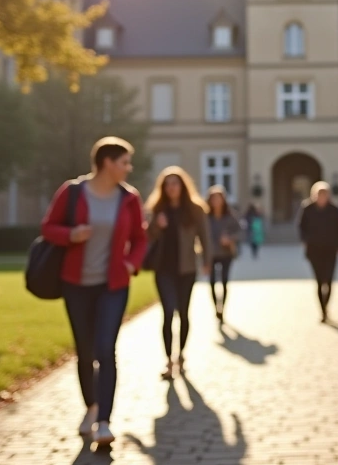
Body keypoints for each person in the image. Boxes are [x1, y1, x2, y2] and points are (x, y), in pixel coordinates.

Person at [39, 136, 147, 447]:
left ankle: (104, 422)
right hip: (76, 285)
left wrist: (131, 264)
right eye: (124, 162)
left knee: (105, 349)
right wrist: (71, 234)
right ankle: (91, 407)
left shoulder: (129, 198)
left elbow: (140, 239)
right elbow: (48, 228)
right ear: (107, 163)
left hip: (113, 285)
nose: (129, 168)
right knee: (84, 352)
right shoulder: (72, 192)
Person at [145, 167, 212, 379]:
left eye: (175, 183)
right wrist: (157, 225)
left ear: (182, 186)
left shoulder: (195, 209)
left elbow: (205, 236)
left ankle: (181, 355)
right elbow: (147, 237)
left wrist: (207, 261)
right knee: (167, 312)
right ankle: (168, 360)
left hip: (187, 268)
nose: (172, 187)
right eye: (168, 184)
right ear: (163, 188)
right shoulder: (157, 209)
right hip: (163, 268)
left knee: (183, 313)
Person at [297, 181, 338, 322]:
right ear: (314, 195)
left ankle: (326, 305)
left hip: (330, 249)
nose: (322, 197)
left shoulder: (334, 210)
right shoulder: (308, 209)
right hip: (314, 250)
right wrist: (305, 240)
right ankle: (323, 311)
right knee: (319, 281)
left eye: (325, 194)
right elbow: (301, 227)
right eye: (319, 194)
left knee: (329, 280)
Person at [206, 186, 242, 323]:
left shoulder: (230, 215)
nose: (216, 201)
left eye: (218, 198)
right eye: (213, 198)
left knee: (225, 281)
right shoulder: (206, 216)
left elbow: (239, 231)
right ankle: (216, 306)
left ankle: (223, 308)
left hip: (226, 253)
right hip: (211, 254)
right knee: (212, 282)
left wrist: (230, 238)